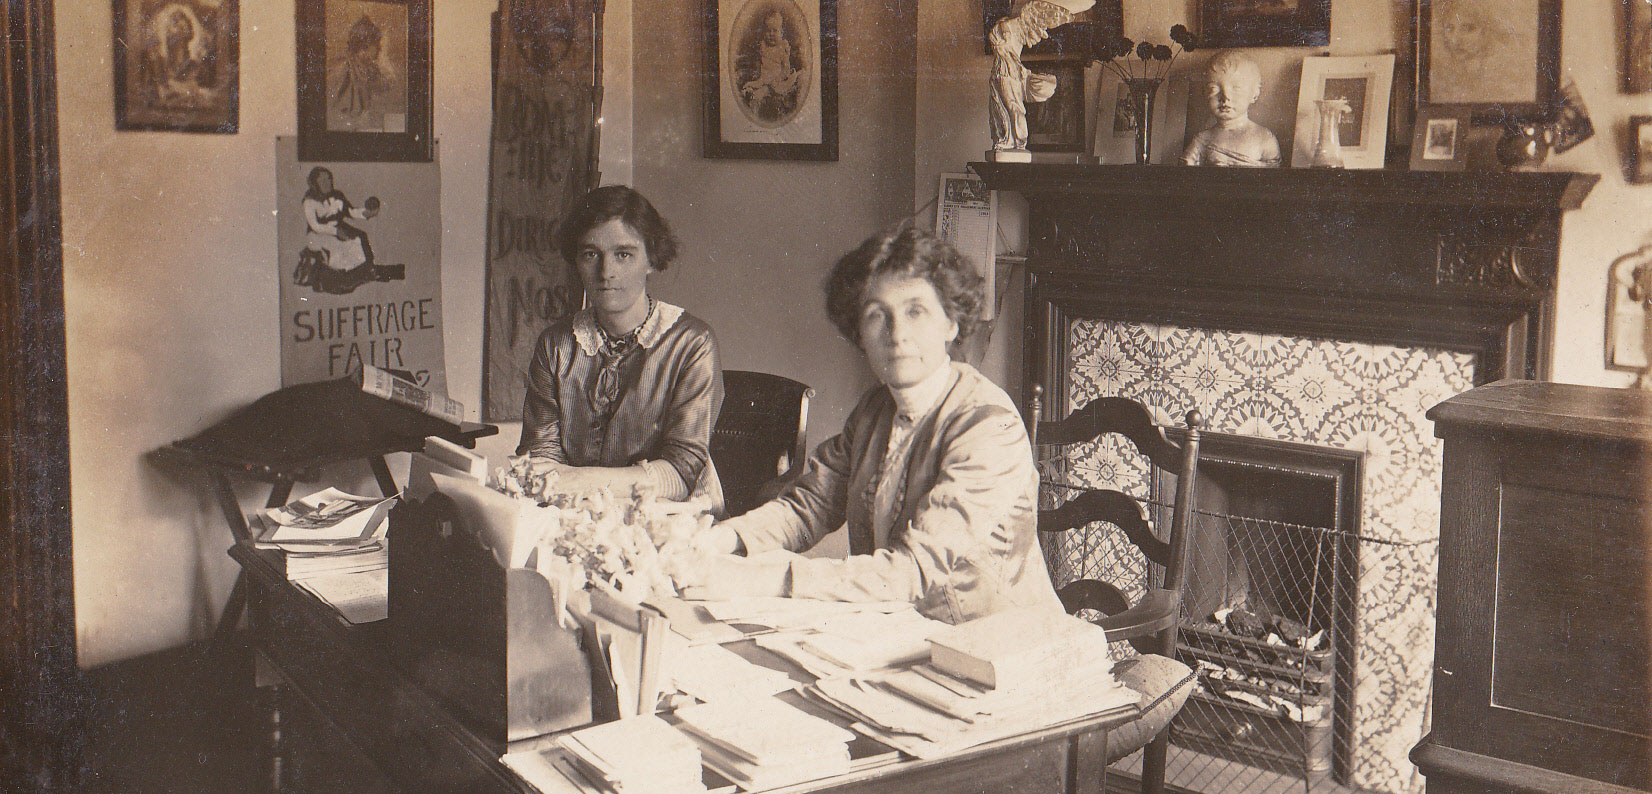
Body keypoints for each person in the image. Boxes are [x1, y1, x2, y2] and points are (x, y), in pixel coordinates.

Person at [675, 226, 1191, 758]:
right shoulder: (875, 410)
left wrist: (764, 577)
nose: (896, 332)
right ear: (858, 330)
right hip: (900, 648)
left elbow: (910, 572)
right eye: (876, 314)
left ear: (951, 321)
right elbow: (806, 506)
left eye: (916, 310)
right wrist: (717, 542)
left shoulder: (985, 423)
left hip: (995, 667)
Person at [517, 186, 725, 510]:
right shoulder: (555, 345)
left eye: (623, 255)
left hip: (666, 519)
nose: (606, 272)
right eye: (590, 254)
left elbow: (682, 471)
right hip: (574, 515)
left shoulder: (692, 343)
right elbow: (539, 456)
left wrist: (579, 482)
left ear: (651, 260)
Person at [988, 0, 1092, 154]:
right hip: (998, 71)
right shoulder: (1003, 23)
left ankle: (1018, 141)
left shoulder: (1014, 23)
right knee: (998, 108)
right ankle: (1006, 140)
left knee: (1012, 105)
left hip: (1010, 71)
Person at [1182, 50, 1281, 167]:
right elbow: (1185, 173)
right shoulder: (1202, 139)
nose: (1226, 97)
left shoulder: (1264, 138)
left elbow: (1274, 174)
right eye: (1214, 89)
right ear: (1205, 93)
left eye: (1236, 88)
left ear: (1254, 93)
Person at [737, 10, 803, 124]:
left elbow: (786, 69)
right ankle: (749, 91)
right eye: (768, 31)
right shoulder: (763, 46)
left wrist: (778, 78)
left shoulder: (782, 48)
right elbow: (760, 63)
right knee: (752, 84)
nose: (771, 34)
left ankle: (754, 112)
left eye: (775, 30)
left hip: (776, 80)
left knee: (764, 92)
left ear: (781, 32)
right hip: (764, 78)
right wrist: (757, 75)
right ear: (764, 32)